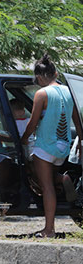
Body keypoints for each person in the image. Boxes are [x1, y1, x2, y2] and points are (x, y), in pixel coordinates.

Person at [21, 55, 83, 238]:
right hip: (63, 147)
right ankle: (61, 179)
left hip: (45, 145)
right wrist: (80, 141)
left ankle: (49, 229)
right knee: (48, 177)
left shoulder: (41, 94)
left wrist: (23, 139)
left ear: (39, 78)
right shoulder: (67, 91)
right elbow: (77, 121)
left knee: (45, 185)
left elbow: (32, 123)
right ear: (55, 73)